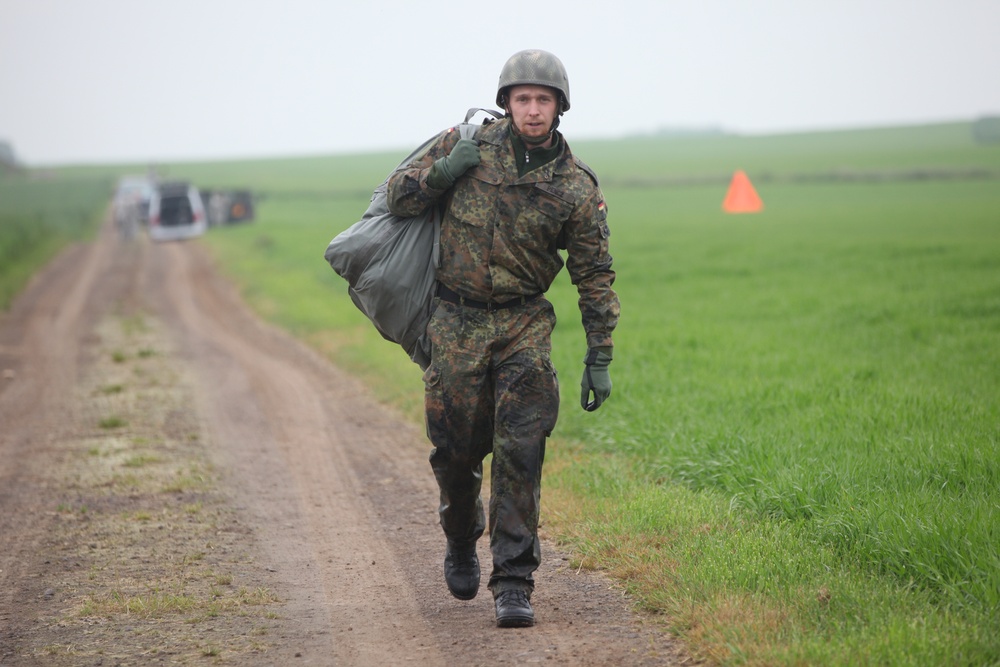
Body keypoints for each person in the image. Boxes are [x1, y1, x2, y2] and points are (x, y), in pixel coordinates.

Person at [386, 49, 620, 628]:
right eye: (523, 99)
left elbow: (594, 273)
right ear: (506, 103)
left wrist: (600, 353)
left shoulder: (573, 185)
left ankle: (513, 581)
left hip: (522, 326)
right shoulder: (465, 147)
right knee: (455, 450)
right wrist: (443, 171)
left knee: (521, 448)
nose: (533, 110)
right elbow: (396, 198)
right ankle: (461, 536)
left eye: (544, 100)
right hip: (456, 321)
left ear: (559, 107)